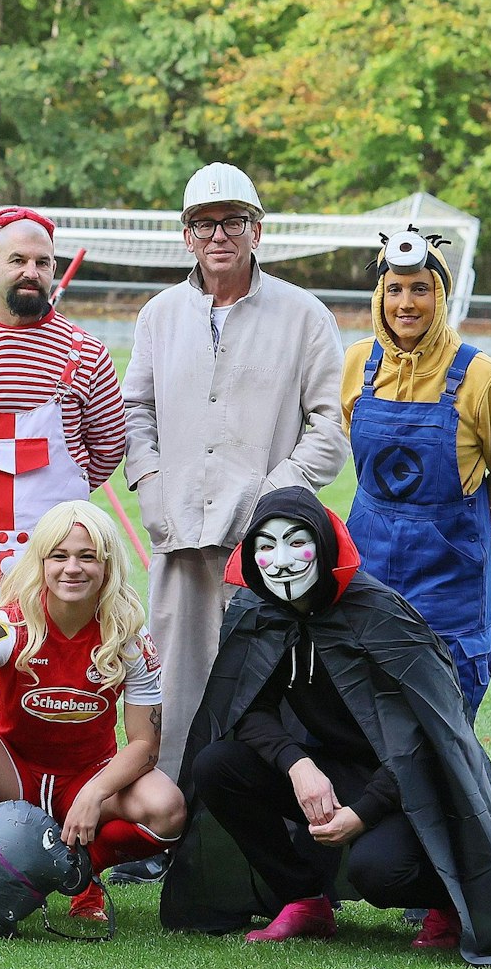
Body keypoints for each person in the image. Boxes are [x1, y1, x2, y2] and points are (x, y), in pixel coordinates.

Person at [163, 487, 491, 964]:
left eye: (294, 542)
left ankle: (450, 900)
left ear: (324, 545)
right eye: (265, 546)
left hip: (416, 786)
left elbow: (428, 738)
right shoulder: (259, 611)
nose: (281, 561)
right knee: (218, 765)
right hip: (336, 769)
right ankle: (303, 898)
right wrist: (298, 763)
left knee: (380, 873)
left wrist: (365, 811)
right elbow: (246, 709)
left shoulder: (379, 614)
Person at [119, 162, 348, 840]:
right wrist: (152, 484)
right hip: (178, 534)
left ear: (257, 230)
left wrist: (276, 495)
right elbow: (136, 410)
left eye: (233, 222)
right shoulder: (160, 315)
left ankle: (269, 838)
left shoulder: (303, 315)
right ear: (186, 236)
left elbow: (330, 424)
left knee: (266, 690)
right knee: (174, 691)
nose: (219, 235)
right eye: (204, 223)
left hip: (264, 548)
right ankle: (170, 834)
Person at [0, 500, 184, 925]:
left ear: (108, 565)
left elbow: (145, 744)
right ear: (40, 561)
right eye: (59, 556)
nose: (72, 568)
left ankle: (81, 873)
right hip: (15, 772)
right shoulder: (7, 625)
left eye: (87, 556)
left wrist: (93, 794)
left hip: (88, 772)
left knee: (166, 806)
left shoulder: (130, 634)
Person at [0, 208, 126, 694]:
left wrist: (64, 493)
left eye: (43, 262)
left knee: (50, 676)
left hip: (56, 555)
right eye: (18, 260)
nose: (31, 272)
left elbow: (108, 445)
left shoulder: (87, 352)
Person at [340, 227, 491, 717]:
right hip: (368, 563)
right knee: (364, 718)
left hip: (450, 574)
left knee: (444, 722)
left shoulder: (485, 377)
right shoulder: (357, 364)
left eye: (420, 289)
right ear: (379, 296)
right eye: (394, 288)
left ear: (440, 294)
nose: (406, 303)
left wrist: (474, 529)